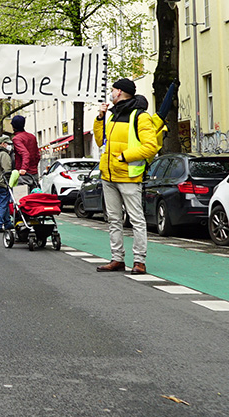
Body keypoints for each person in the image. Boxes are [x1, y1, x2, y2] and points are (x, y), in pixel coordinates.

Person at [93, 78, 159, 275]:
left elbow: (151, 147)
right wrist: (99, 118)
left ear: (120, 92)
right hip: (109, 175)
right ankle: (117, 259)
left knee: (136, 219)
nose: (110, 93)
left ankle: (139, 261)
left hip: (128, 176)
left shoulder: (141, 116)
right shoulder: (112, 115)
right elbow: (99, 141)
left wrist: (124, 156)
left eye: (113, 90)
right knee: (114, 219)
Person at [11, 115, 40, 192]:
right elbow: (37, 155)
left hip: (24, 174)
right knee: (34, 198)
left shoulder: (17, 139)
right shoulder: (32, 137)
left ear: (13, 126)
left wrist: (23, 168)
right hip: (34, 173)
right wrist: (34, 166)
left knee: (21, 198)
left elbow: (25, 153)